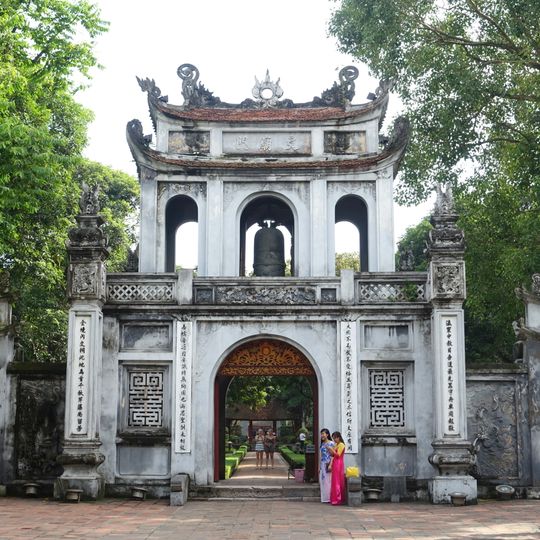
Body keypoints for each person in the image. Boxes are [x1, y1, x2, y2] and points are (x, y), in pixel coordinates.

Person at [328, 431, 346, 505]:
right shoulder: (336, 445)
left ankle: (338, 499)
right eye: (333, 438)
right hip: (335, 463)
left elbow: (338, 454)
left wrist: (331, 449)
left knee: (337, 481)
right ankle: (334, 499)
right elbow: (333, 455)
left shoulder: (341, 444)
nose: (334, 440)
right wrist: (330, 450)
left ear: (339, 437)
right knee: (334, 480)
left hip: (339, 463)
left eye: (335, 438)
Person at [319, 428, 335, 503]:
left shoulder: (331, 443)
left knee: (329, 481)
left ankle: (329, 498)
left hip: (328, 464)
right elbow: (321, 455)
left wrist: (330, 464)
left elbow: (333, 455)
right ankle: (324, 498)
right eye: (321, 434)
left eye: (323, 434)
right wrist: (319, 466)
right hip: (322, 464)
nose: (322, 435)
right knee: (323, 481)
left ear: (327, 435)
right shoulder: (322, 444)